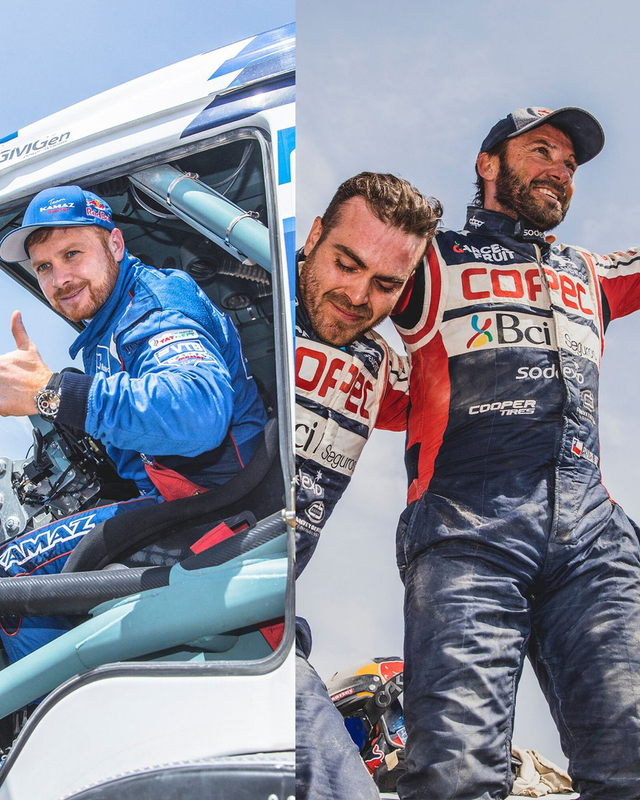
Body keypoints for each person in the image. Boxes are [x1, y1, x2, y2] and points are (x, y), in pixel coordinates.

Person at [391, 106, 640, 800]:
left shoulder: (588, 271)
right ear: (488, 163)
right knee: (457, 772)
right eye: (541, 151)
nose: (560, 170)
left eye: (569, 163)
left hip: (591, 537)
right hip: (466, 529)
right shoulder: (427, 257)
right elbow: (333, 283)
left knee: (632, 754)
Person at [0, 184, 266, 662]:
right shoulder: (109, 327)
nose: (60, 278)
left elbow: (197, 412)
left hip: (211, 506)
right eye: (44, 267)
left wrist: (52, 392)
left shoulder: (152, 304)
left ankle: (58, 707)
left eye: (72, 254)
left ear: (116, 245)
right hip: (186, 500)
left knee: (11, 572)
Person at [295, 172, 442, 799]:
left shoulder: (378, 362)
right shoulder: (241, 304)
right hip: (163, 586)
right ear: (313, 237)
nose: (357, 296)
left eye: (385, 284)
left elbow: (462, 392)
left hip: (264, 623)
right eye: (346, 264)